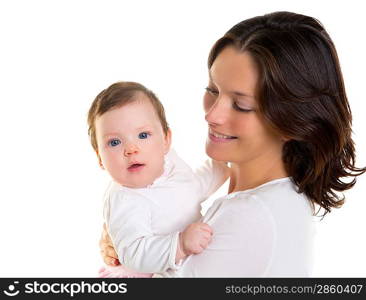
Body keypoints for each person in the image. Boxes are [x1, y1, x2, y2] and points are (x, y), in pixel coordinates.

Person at [99, 11, 366, 277]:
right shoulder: (258, 198)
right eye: (213, 90)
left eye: (241, 105)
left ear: (292, 122)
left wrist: (135, 262)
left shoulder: (252, 215)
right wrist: (133, 236)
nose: (211, 115)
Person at [87, 81, 230, 277]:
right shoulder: (124, 198)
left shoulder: (170, 163)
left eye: (143, 135)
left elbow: (191, 188)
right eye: (114, 142)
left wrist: (221, 166)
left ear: (165, 140)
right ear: (100, 159)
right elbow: (135, 253)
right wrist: (179, 244)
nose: (131, 149)